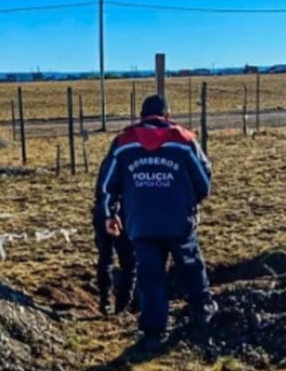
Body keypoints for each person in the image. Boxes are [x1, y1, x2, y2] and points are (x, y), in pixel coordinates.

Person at [100, 94, 217, 351]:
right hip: (178, 219)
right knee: (190, 264)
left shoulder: (123, 143)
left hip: (140, 222)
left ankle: (153, 331)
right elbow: (204, 178)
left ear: (142, 115)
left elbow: (108, 184)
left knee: (150, 275)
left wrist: (111, 214)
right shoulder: (185, 141)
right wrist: (190, 200)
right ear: (166, 114)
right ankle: (203, 311)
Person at [92, 141, 137, 315]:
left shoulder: (109, 162)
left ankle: (105, 301)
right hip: (122, 215)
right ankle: (123, 305)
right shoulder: (130, 162)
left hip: (103, 212)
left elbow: (101, 189)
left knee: (105, 258)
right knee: (129, 263)